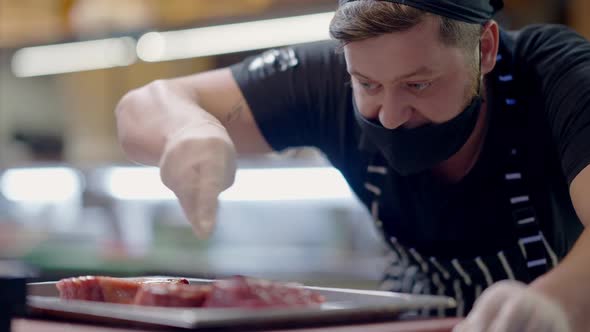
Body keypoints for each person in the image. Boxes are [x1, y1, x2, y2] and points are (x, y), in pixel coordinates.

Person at [114, 0, 590, 330]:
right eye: (367, 84)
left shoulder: (558, 75)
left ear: (484, 48)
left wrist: (555, 303)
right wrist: (187, 128)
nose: (389, 114)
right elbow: (145, 104)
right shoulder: (325, 83)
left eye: (418, 85)